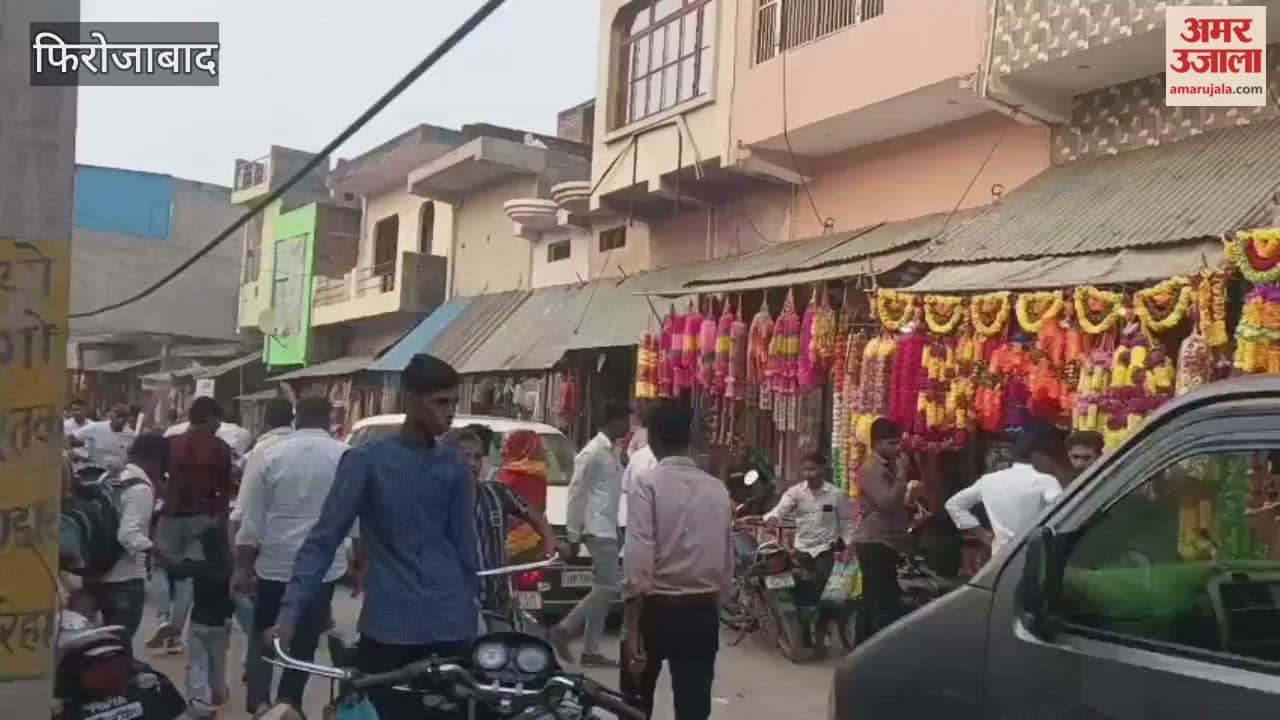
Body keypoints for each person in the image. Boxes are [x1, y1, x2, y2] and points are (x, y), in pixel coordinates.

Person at [268, 354, 477, 720]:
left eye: (454, 404)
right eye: (441, 403)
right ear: (412, 402)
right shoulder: (366, 460)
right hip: (390, 632)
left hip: (452, 627)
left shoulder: (455, 466)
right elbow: (323, 541)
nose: (451, 414)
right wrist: (289, 616)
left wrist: (478, 610)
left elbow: (467, 551)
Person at [234, 397, 347, 716]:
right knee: (304, 641)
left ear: (297, 418)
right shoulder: (343, 456)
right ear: (330, 419)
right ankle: (288, 704)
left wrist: (242, 568)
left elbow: (250, 519)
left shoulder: (268, 454)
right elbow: (353, 518)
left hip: (274, 562)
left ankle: (259, 704)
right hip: (322, 569)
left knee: (263, 635)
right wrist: (358, 560)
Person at [623, 400, 733, 720]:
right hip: (701, 612)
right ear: (690, 439)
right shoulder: (717, 489)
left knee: (633, 704)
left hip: (655, 610)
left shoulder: (647, 483)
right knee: (694, 707)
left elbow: (638, 557)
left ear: (653, 439)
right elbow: (725, 562)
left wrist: (632, 630)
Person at [443, 428, 557, 630]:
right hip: (452, 605)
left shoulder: (497, 492)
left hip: (498, 604)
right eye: (464, 457)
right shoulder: (435, 501)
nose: (471, 464)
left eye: (477, 457)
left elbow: (532, 513)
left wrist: (550, 543)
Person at [147, 397, 234, 650]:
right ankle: (174, 631)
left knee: (160, 566)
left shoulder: (170, 444)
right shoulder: (220, 448)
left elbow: (155, 474)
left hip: (171, 513)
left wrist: (166, 493)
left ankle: (163, 618)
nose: (219, 425)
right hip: (203, 517)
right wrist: (220, 526)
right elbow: (225, 490)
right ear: (209, 419)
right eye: (218, 420)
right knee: (189, 573)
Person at [551, 399, 631, 668]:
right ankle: (565, 628)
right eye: (625, 420)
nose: (629, 425)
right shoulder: (593, 452)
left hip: (608, 528)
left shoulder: (612, 452)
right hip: (596, 530)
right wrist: (572, 536)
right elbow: (576, 494)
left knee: (603, 589)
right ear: (614, 421)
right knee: (609, 586)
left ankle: (590, 650)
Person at [81, 434, 168, 643]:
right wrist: (156, 551)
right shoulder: (141, 488)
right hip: (125, 581)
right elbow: (128, 534)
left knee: (92, 651)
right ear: (155, 460)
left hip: (93, 576)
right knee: (118, 652)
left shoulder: (109, 478)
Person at [764, 451, 853, 647]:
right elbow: (779, 510)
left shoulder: (836, 495)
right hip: (801, 552)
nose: (808, 473)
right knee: (799, 595)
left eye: (812, 469)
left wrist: (848, 544)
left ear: (823, 469)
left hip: (825, 552)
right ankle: (804, 637)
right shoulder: (795, 493)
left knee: (830, 596)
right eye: (805, 469)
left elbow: (846, 523)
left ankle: (822, 628)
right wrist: (771, 519)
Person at [945, 430, 1064, 561]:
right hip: (1036, 556)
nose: (1054, 463)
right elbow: (1063, 510)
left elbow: (953, 505)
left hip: (1000, 557)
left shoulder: (988, 481)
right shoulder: (1046, 481)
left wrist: (982, 534)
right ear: (1037, 455)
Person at [851, 418, 910, 644]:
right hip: (875, 542)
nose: (897, 449)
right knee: (881, 602)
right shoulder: (871, 469)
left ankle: (861, 651)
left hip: (887, 541)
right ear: (876, 443)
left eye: (899, 444)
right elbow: (886, 503)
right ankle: (869, 651)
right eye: (892, 443)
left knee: (876, 600)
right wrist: (903, 475)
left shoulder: (888, 466)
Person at [185, 525, 236, 719]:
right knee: (218, 660)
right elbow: (234, 596)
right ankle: (218, 691)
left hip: (198, 620)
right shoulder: (231, 565)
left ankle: (199, 700)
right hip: (221, 622)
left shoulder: (200, 566)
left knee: (198, 662)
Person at [498, 430, 551, 562]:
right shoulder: (538, 475)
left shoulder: (510, 475)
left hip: (509, 545)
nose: (502, 451)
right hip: (533, 540)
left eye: (506, 446)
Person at [69, 403, 136, 474]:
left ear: (127, 419)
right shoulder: (96, 427)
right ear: (111, 416)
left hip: (120, 473)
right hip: (96, 471)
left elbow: (131, 455)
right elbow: (68, 438)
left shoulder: (130, 435)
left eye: (123, 417)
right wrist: (70, 452)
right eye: (118, 416)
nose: (120, 420)